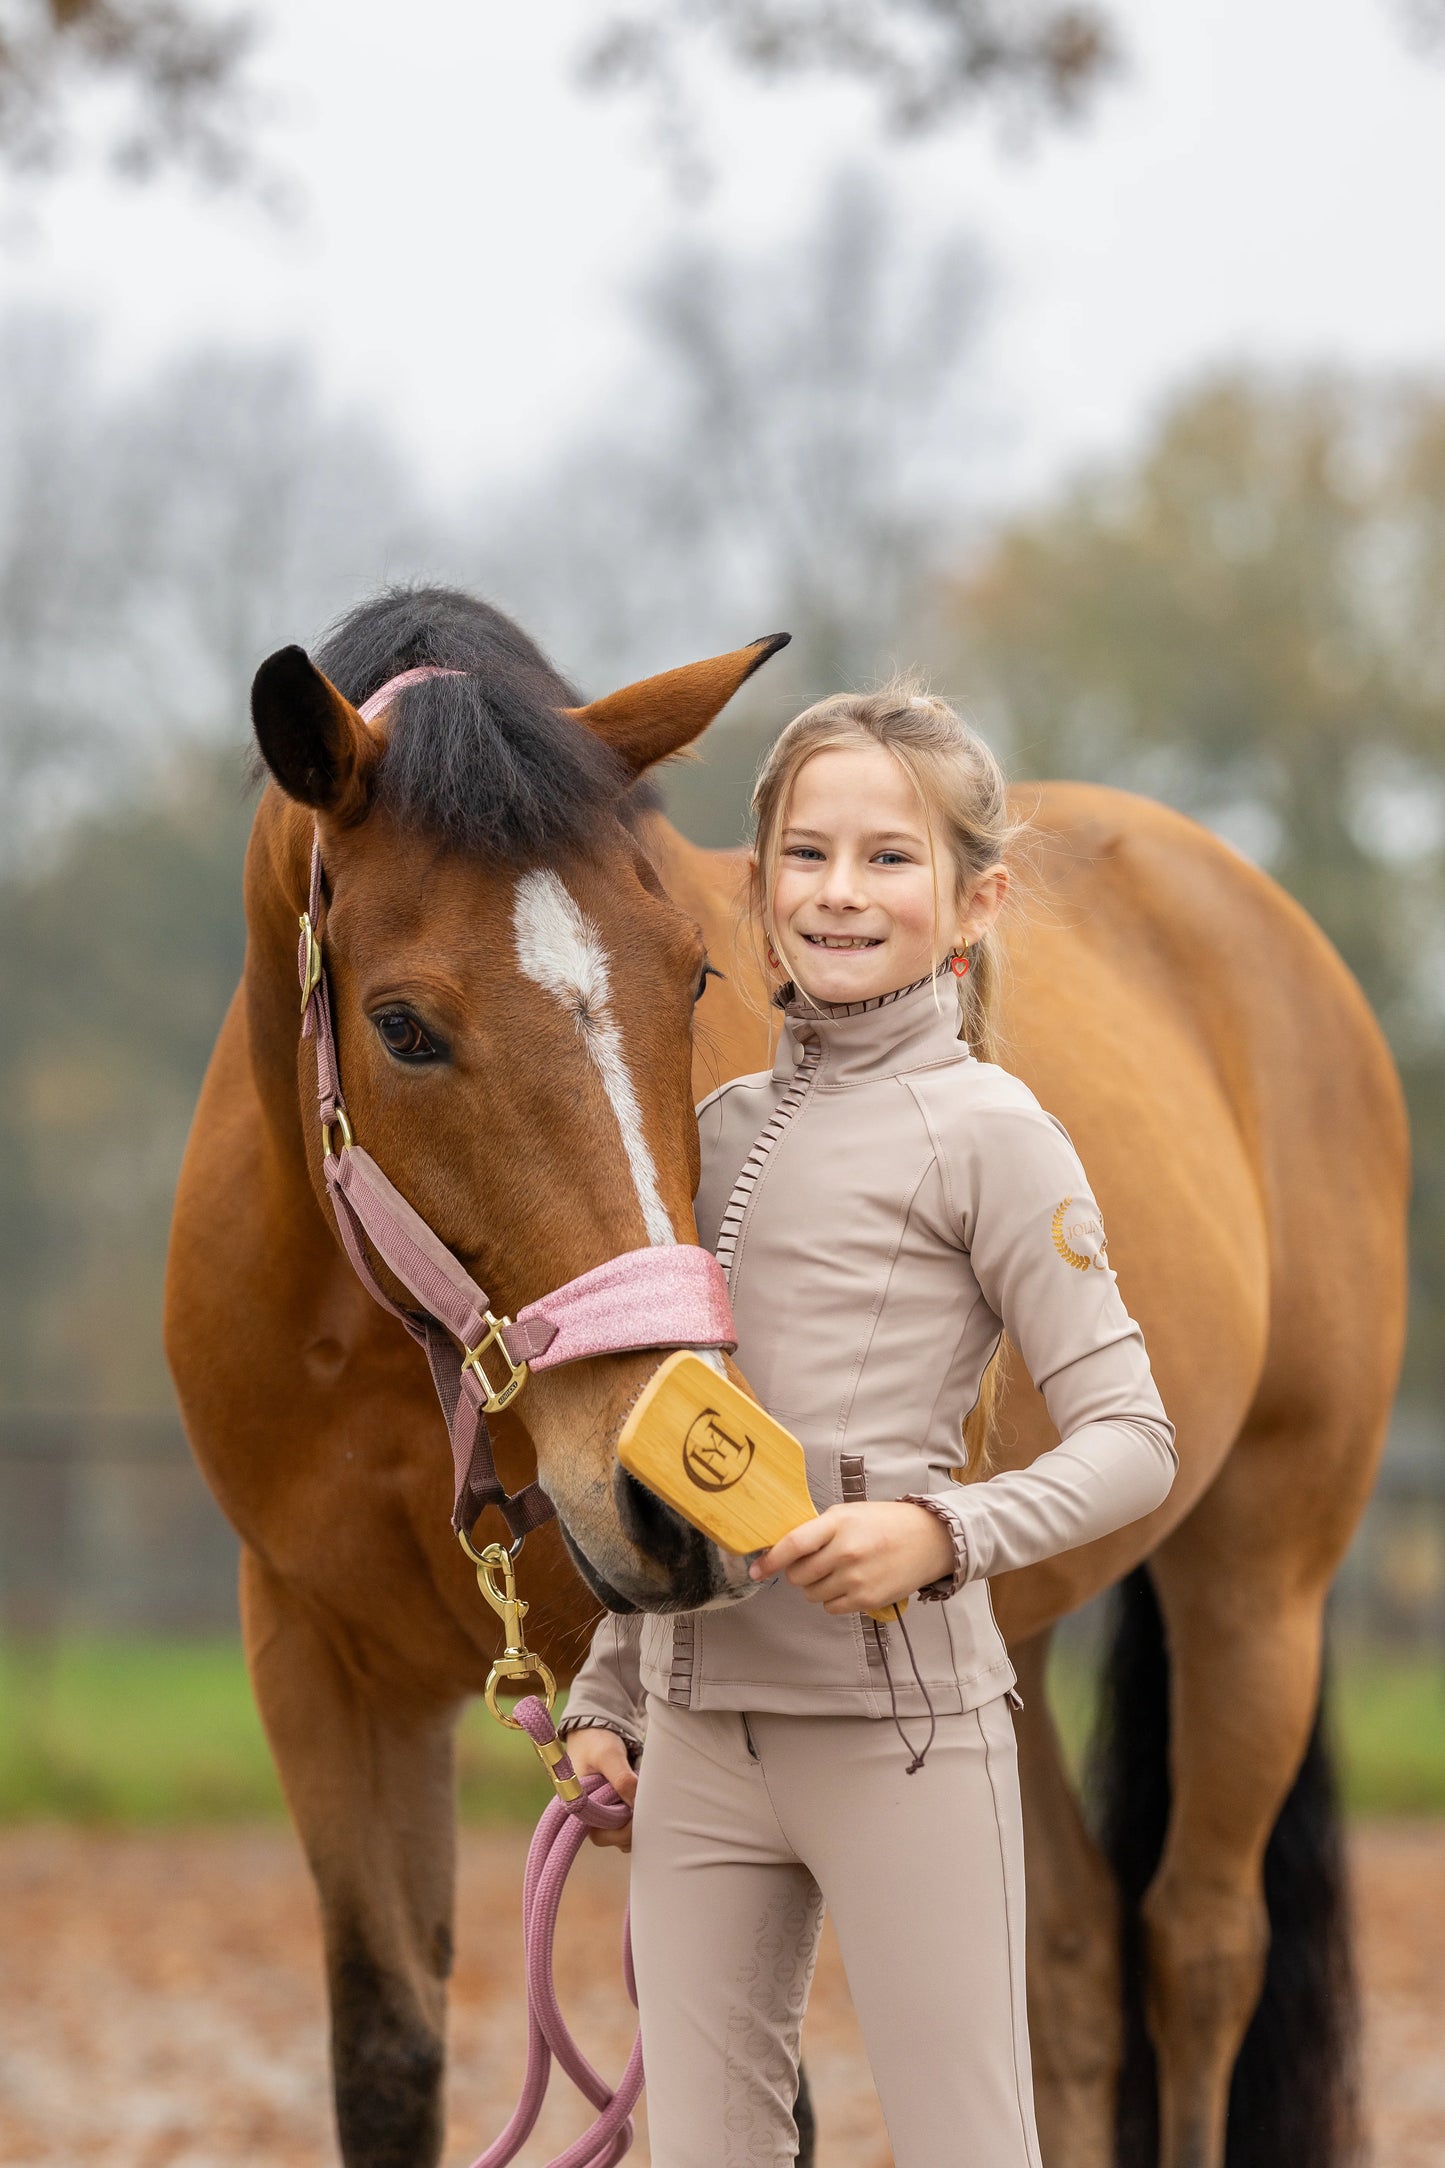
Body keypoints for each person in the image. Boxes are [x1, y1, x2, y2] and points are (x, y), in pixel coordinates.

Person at [560, 683, 1178, 2166]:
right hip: (703, 1737)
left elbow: (1131, 1435)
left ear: (974, 900)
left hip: (900, 1734)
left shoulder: (993, 1132)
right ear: (758, 891)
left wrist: (941, 1530)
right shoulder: (700, 1137)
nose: (840, 893)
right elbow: (674, 1437)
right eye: (805, 855)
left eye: (887, 859)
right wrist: (608, 1689)